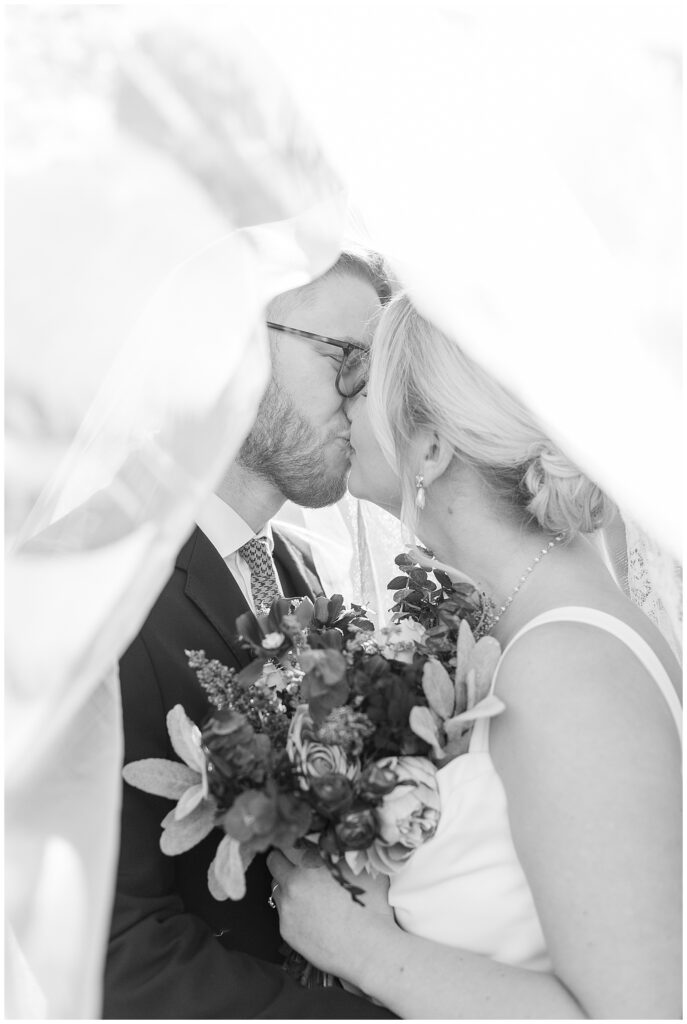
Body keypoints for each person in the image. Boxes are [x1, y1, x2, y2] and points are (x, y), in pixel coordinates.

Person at [268, 292, 682, 1019]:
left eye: (361, 385)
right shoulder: (520, 633)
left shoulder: (568, 664)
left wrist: (358, 948)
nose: (340, 402)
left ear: (429, 447)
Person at [104, 251, 397, 1019]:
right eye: (345, 356)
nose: (364, 396)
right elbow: (117, 953)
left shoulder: (298, 571)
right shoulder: (107, 590)